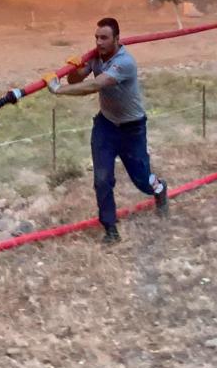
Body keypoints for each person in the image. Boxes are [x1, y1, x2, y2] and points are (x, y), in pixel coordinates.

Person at [47, 17, 169, 244]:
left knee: (142, 180)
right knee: (102, 179)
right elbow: (79, 78)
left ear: (117, 39)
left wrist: (59, 89)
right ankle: (110, 228)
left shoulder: (124, 63)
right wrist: (76, 67)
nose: (99, 42)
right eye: (96, 38)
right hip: (106, 125)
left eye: (104, 38)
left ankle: (159, 188)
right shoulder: (96, 57)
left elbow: (94, 86)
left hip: (132, 129)